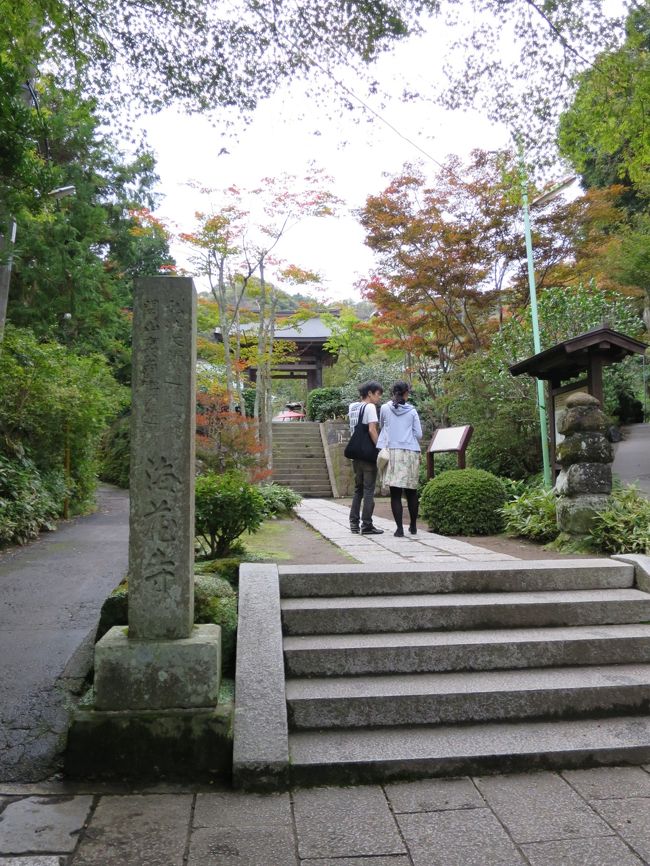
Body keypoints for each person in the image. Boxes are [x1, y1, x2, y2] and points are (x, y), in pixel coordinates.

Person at [377, 381, 422, 537]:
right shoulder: (412, 411)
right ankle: (413, 526)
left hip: (393, 452)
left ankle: (399, 529)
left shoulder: (384, 408)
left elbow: (382, 426)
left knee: (395, 494)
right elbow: (419, 434)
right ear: (406, 393)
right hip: (411, 453)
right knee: (411, 492)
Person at [348, 381, 384, 535]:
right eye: (378, 394)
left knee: (358, 489)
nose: (379, 398)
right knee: (369, 489)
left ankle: (354, 523)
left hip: (355, 454)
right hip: (368, 454)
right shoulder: (370, 407)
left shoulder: (352, 407)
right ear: (369, 393)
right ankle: (367, 525)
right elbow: (372, 430)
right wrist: (380, 448)